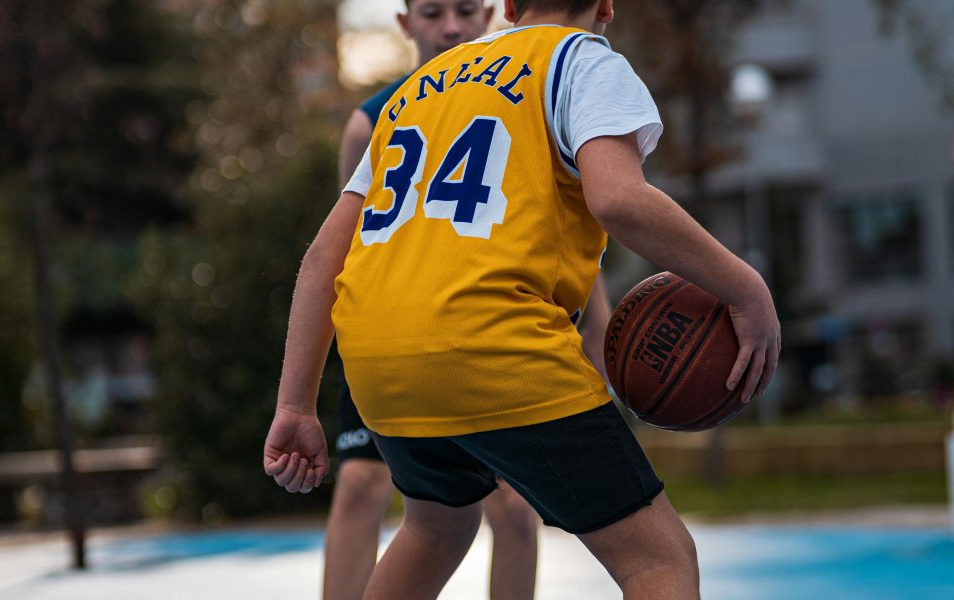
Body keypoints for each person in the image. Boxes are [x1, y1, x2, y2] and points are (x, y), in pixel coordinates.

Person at [263, 0, 781, 598]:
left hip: (381, 365)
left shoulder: (420, 88)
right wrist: (746, 288)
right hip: (496, 349)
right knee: (658, 559)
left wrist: (296, 405)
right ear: (606, 7)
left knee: (436, 526)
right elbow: (618, 200)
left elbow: (324, 258)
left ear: (508, 7)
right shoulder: (580, 61)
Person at [323, 2, 548, 599]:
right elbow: (342, 251)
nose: (451, 26)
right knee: (362, 488)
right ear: (405, 25)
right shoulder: (371, 122)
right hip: (388, 329)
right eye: (432, 12)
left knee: (515, 508)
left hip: (484, 331)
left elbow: (554, 236)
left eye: (466, 10)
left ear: (491, 16)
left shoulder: (519, 102)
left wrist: (597, 346)